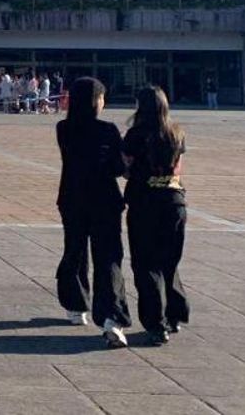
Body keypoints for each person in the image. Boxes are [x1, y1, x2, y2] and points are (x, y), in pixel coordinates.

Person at [55, 76, 132, 347]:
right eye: (101, 97)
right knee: (108, 257)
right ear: (95, 101)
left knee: (74, 250)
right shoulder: (108, 130)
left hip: (72, 198)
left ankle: (76, 306)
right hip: (104, 199)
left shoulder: (63, 128)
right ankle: (111, 317)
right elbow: (117, 168)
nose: (103, 102)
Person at [123, 85, 190, 345]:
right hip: (174, 203)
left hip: (144, 203)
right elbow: (177, 170)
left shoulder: (135, 135)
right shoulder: (177, 134)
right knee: (169, 262)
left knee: (145, 264)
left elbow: (127, 169)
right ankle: (175, 315)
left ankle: (155, 323)